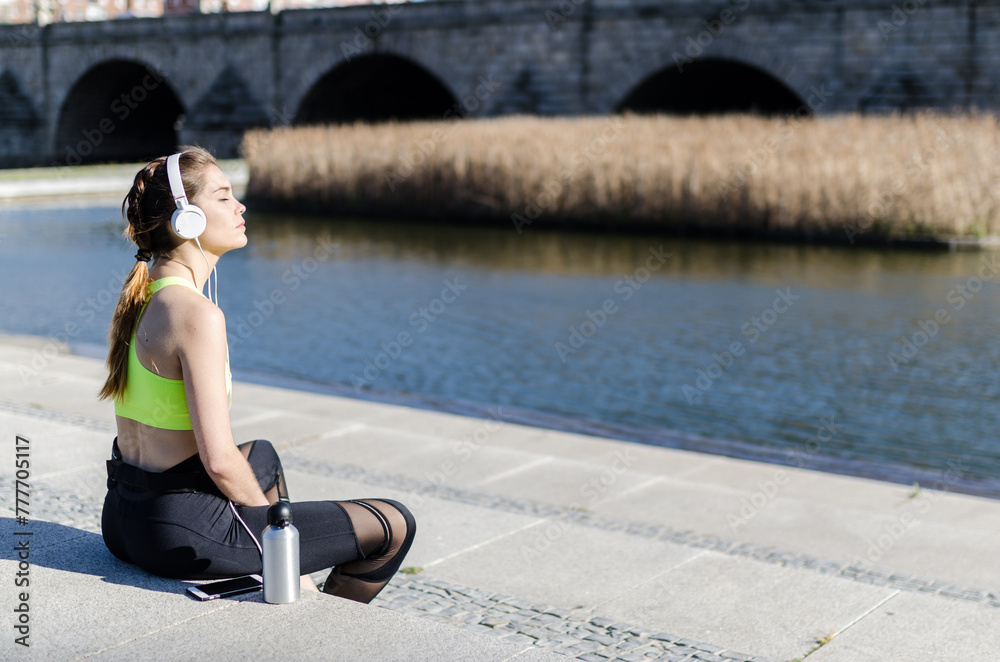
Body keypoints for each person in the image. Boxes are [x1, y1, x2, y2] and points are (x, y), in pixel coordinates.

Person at [99, 146, 414, 603]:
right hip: (173, 533)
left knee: (261, 455)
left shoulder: (141, 298)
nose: (240, 206)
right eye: (223, 197)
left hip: (124, 517)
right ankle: (324, 623)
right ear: (185, 220)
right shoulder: (195, 314)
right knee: (393, 524)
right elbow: (221, 462)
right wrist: (280, 543)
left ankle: (293, 583)